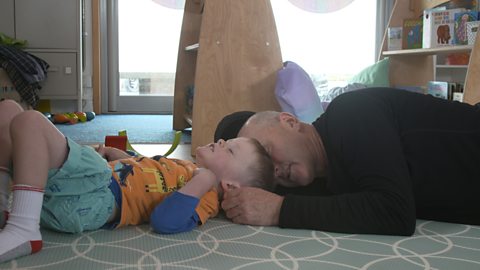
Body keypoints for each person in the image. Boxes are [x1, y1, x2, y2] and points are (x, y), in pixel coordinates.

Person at [0, 99, 274, 263]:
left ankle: (24, 228)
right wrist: (123, 156)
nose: (222, 141)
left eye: (231, 149)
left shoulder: (206, 197)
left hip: (96, 194)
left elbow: (164, 221)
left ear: (230, 186)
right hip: (89, 183)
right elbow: (148, 170)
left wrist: (203, 181)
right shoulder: (187, 167)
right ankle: (6, 205)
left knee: (30, 122)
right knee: (8, 110)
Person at [215, 87, 480, 236]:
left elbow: (395, 212)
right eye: (263, 170)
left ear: (290, 121)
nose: (273, 169)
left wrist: (278, 210)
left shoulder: (351, 113)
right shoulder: (323, 183)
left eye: (267, 149)